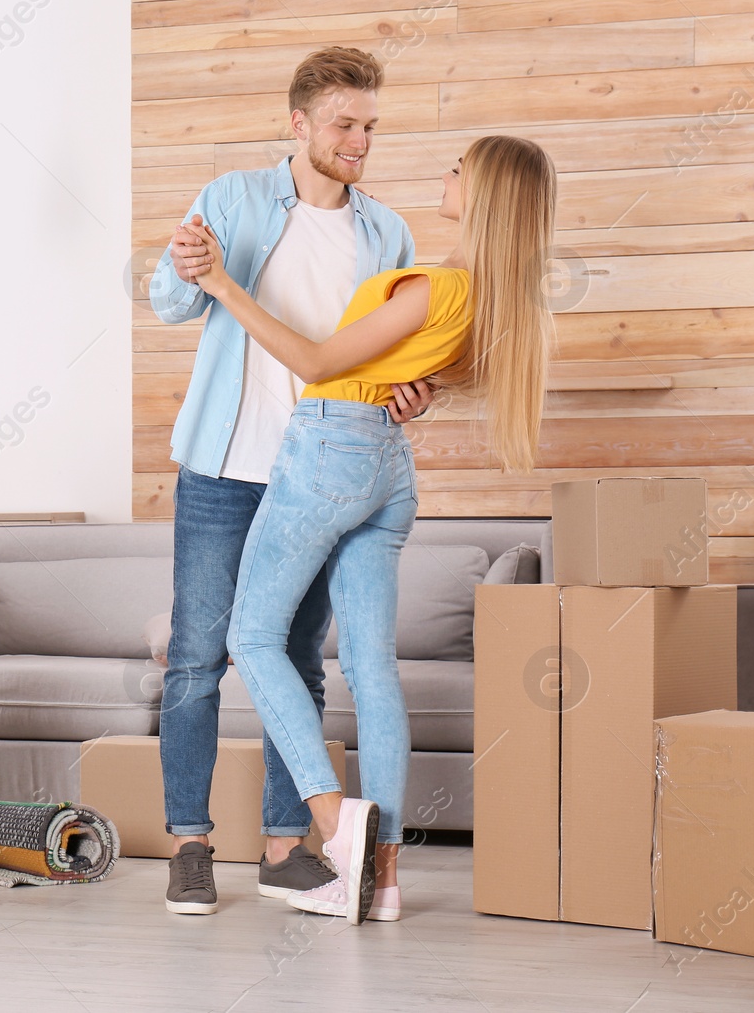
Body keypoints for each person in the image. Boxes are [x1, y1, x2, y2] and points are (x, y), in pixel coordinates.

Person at [182, 134, 556, 924]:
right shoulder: (490, 297)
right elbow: (406, 374)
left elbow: (318, 361)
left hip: (330, 446)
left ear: (485, 193)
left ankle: (333, 825)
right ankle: (383, 881)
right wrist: (406, 388)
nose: (444, 174)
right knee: (370, 667)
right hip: (386, 466)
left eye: (460, 168)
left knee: (251, 636)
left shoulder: (438, 283)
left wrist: (222, 281)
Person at [149, 46, 432, 916]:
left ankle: (284, 847)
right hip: (225, 468)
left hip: (319, 476)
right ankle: (190, 846)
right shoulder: (231, 198)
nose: (360, 141)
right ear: (300, 124)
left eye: (370, 126)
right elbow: (171, 303)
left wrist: (417, 391)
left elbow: (397, 355)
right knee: (199, 660)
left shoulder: (386, 231)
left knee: (297, 661)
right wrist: (181, 259)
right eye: (346, 124)